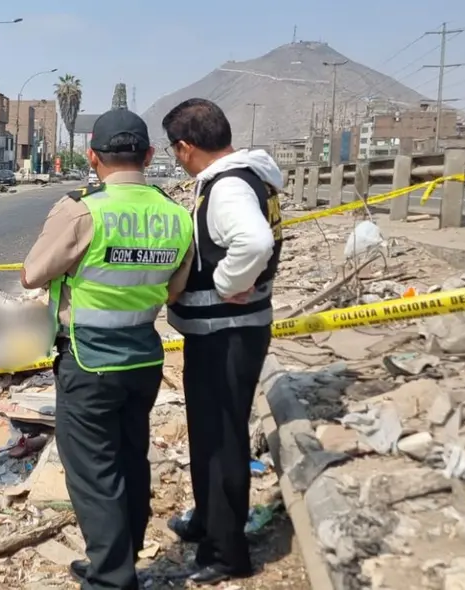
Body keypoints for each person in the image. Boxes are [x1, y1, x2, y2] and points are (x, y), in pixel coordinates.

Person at [21, 109, 195, 590]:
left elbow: (32, 273)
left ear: (92, 155)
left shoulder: (82, 209)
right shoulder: (177, 215)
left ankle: (112, 579)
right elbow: (175, 289)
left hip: (88, 359)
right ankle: (118, 557)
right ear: (150, 155)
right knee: (129, 457)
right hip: (142, 357)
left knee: (93, 471)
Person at [161, 98, 284, 585]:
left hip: (225, 333)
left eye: (176, 150)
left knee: (220, 439)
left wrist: (231, 283)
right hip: (230, 331)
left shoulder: (229, 186)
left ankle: (226, 550)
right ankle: (209, 521)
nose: (177, 159)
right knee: (210, 433)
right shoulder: (250, 175)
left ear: (187, 146)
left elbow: (254, 243)